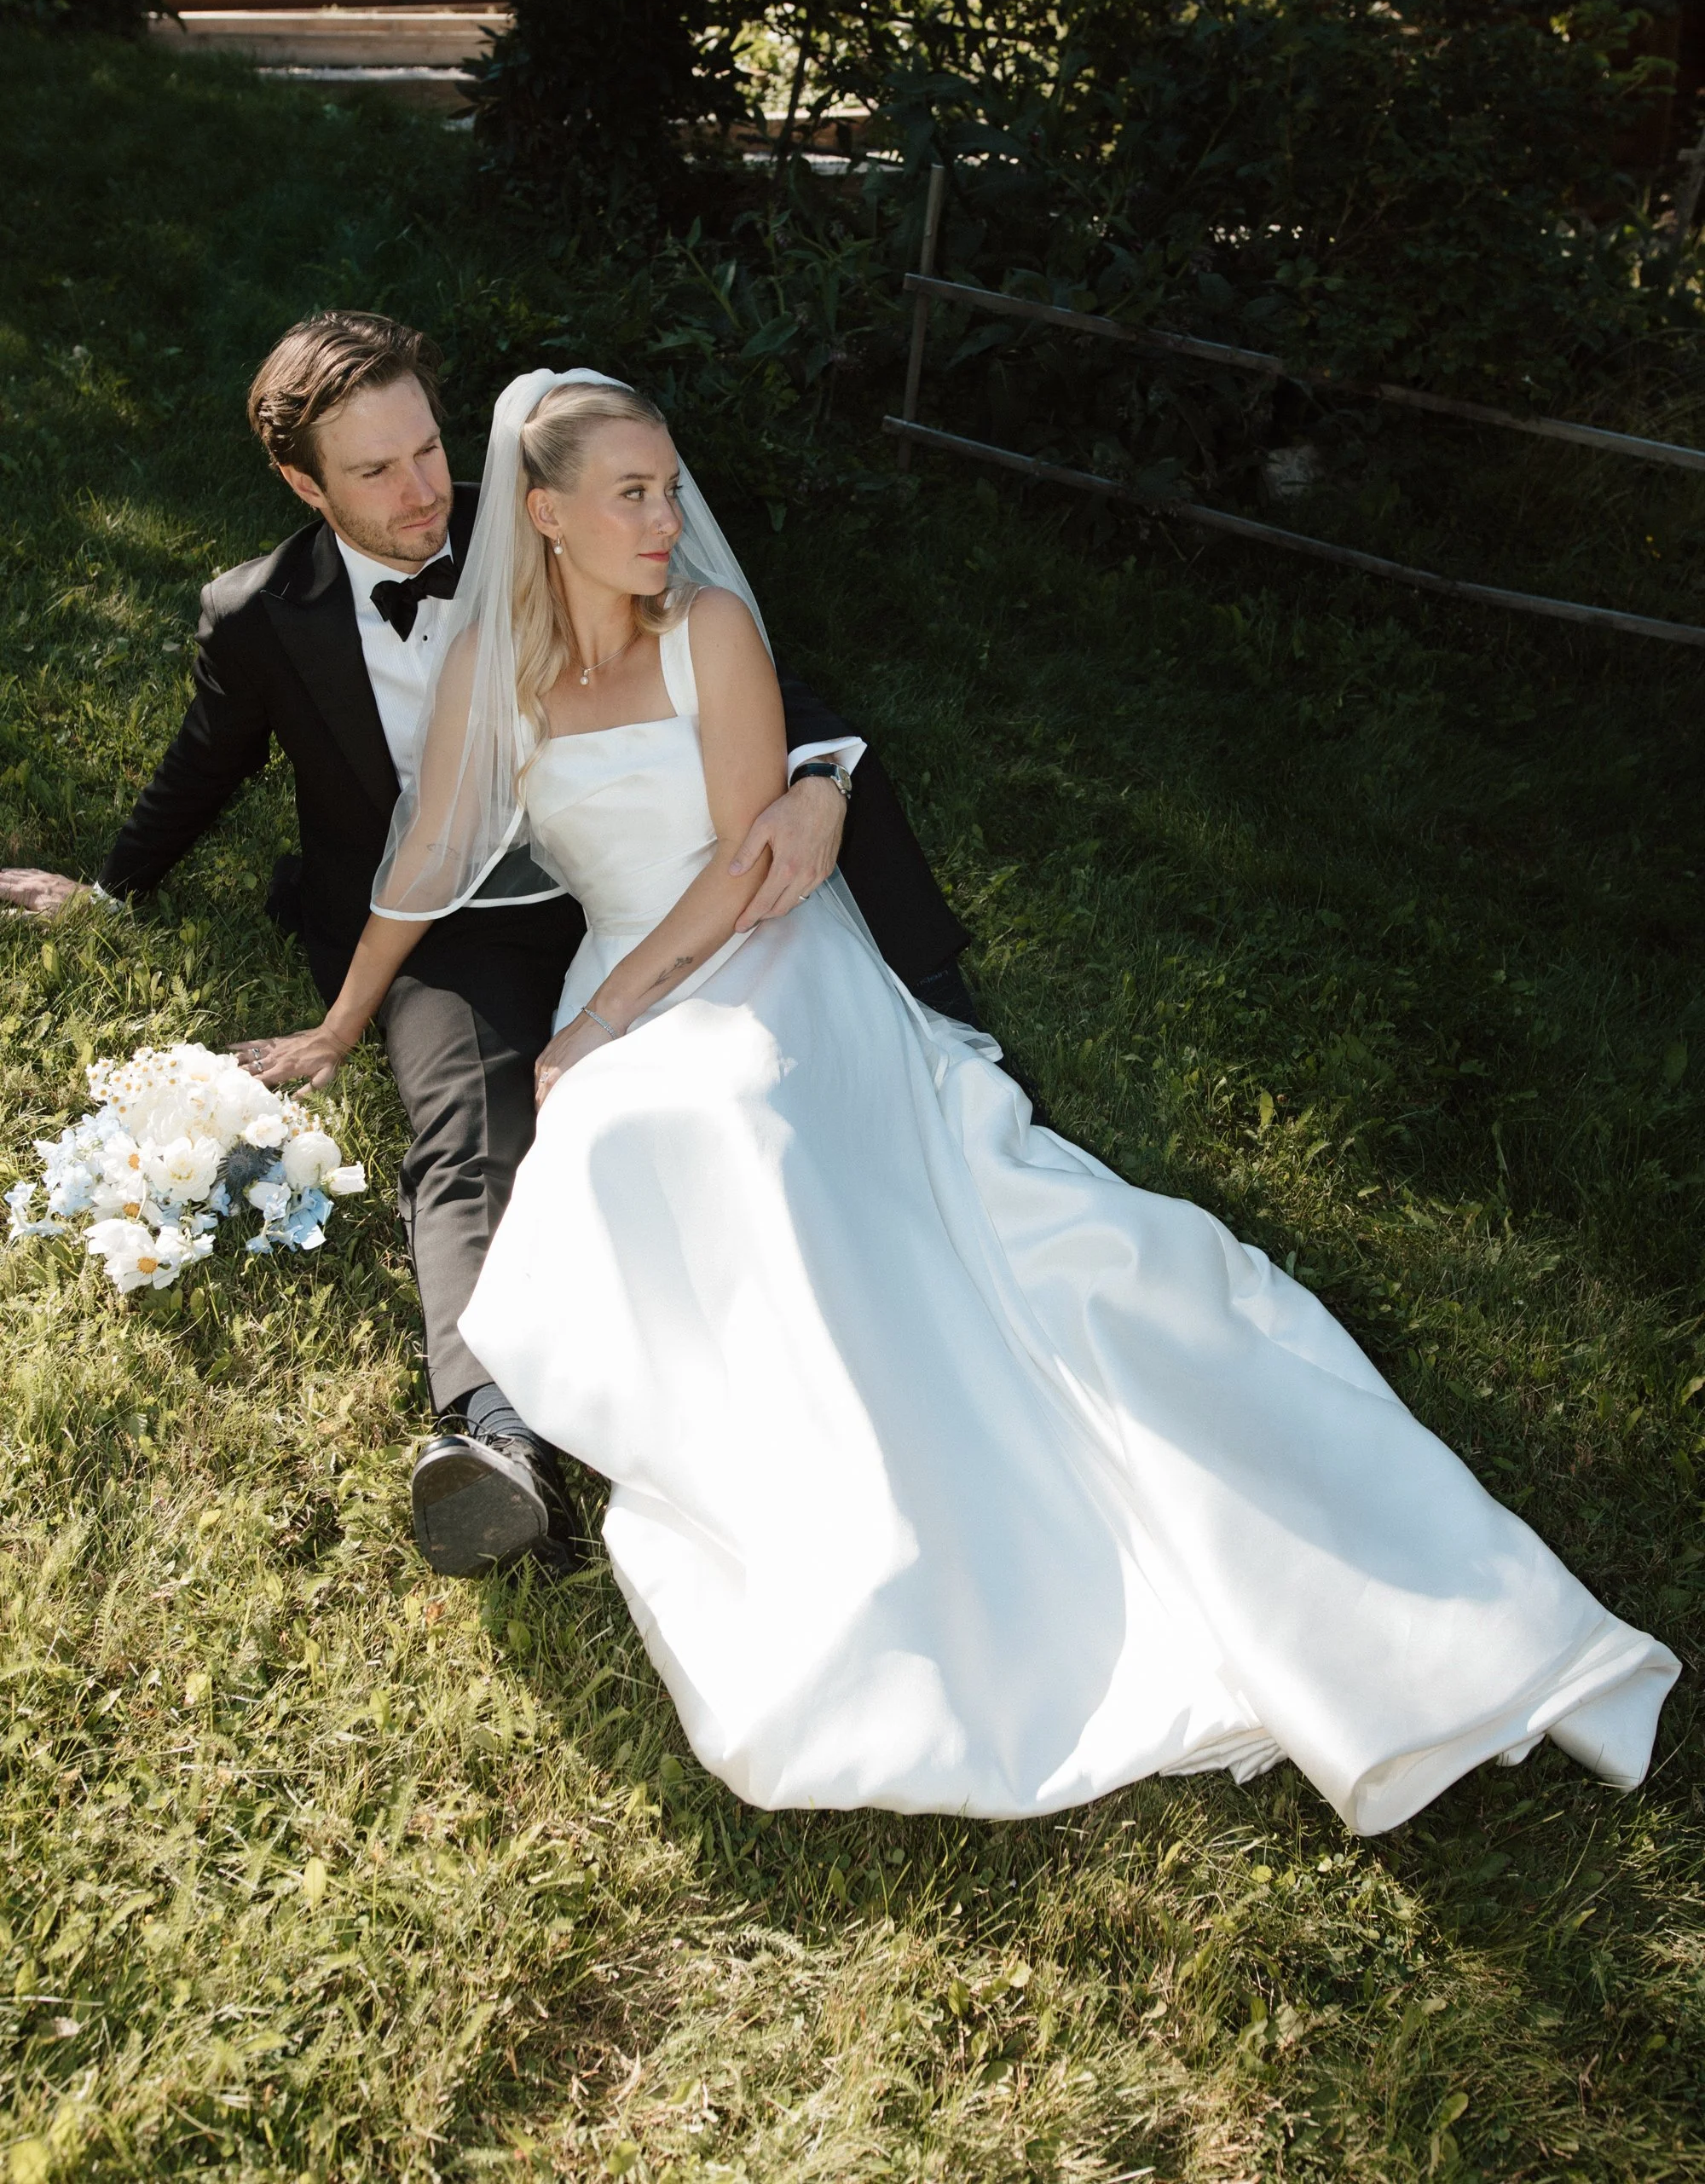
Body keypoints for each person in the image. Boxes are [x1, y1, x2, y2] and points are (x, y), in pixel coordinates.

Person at [233, 366, 1677, 1834]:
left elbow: (746, 871)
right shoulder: (494, 667)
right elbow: (423, 865)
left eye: (673, 487)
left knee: (715, 1114)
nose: (670, 518)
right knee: (612, 1137)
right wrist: (342, 1024)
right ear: (543, 516)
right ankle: (698, 1455)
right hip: (624, 965)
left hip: (761, 956)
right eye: (633, 495)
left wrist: (601, 1018)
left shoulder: (710, 632)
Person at [0, 315, 973, 1582]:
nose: (422, 494)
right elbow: (211, 769)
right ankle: (495, 1430)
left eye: (428, 452)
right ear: (304, 485)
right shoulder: (259, 616)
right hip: (460, 919)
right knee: (470, 1115)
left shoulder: (559, 509)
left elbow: (742, 672)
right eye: (373, 472)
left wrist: (820, 777)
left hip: (662, 884)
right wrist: (121, 892)